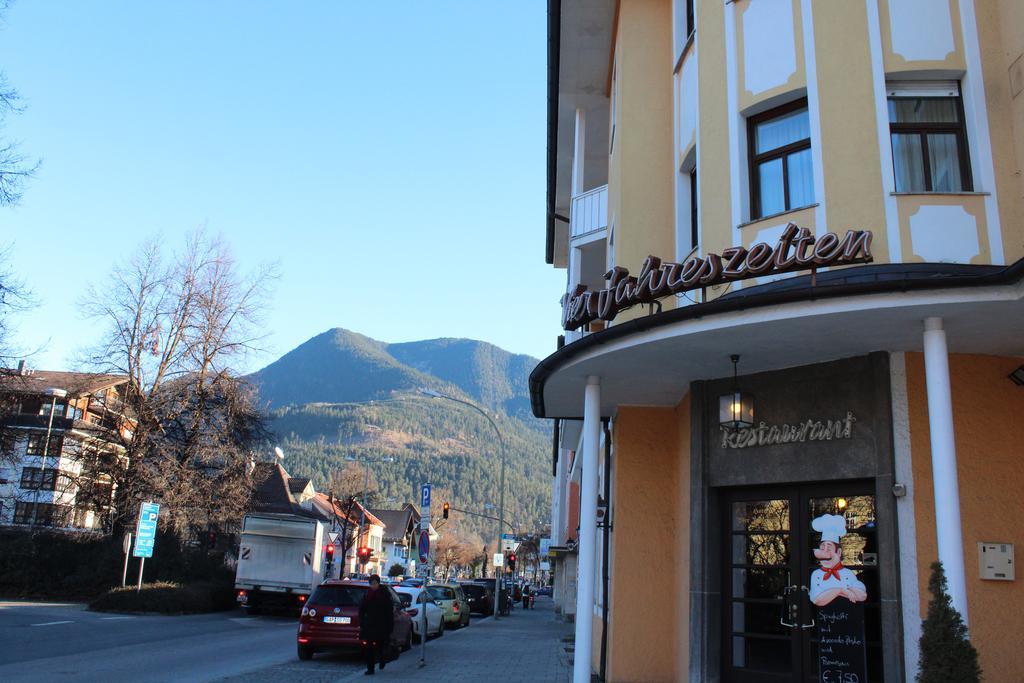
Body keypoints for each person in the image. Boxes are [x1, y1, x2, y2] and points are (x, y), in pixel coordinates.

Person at [359, 575, 395, 675]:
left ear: (378, 583)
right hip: (369, 625)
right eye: (371, 584)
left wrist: (390, 626)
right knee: (369, 648)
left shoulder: (385, 594)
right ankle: (370, 669)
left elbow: (389, 611)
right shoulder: (367, 594)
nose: (373, 586)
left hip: (382, 625)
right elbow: (361, 609)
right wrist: (362, 621)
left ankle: (382, 659)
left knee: (380, 646)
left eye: (374, 584)